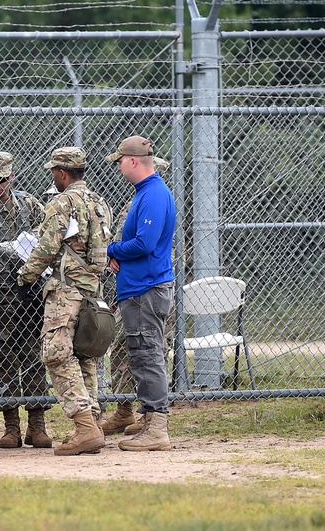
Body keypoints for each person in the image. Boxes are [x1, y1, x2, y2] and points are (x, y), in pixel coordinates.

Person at [17, 147, 112, 456]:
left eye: (54, 173)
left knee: (56, 353)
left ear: (62, 173)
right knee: (85, 355)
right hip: (92, 290)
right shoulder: (100, 203)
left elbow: (47, 246)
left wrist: (26, 275)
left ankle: (85, 427)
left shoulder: (62, 202)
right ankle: (93, 425)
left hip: (66, 290)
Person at [0, 151, 52, 449]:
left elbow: (48, 230)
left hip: (30, 295)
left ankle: (37, 424)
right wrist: (7, 248)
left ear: (12, 177)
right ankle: (11, 426)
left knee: (33, 357)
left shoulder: (28, 204)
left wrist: (28, 246)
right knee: (3, 358)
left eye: (2, 179)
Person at [104, 136, 176, 451]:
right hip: (137, 289)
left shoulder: (154, 194)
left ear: (134, 161)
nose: (118, 167)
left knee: (148, 356)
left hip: (147, 288)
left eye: (120, 161)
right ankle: (148, 418)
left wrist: (110, 249)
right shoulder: (145, 193)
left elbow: (144, 244)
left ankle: (158, 428)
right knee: (140, 355)